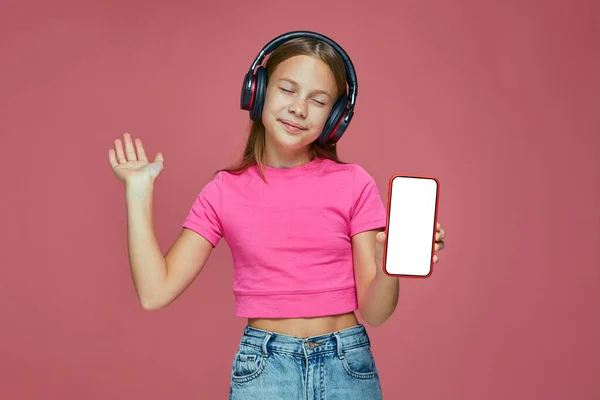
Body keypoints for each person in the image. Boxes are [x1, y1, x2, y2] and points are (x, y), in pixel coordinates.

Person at [108, 31, 446, 400]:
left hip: (347, 365)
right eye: (287, 90)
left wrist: (387, 267)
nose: (299, 108)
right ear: (258, 92)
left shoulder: (354, 184)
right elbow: (155, 292)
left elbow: (376, 312)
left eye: (318, 100)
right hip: (265, 370)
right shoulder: (223, 191)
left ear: (335, 117)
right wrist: (138, 192)